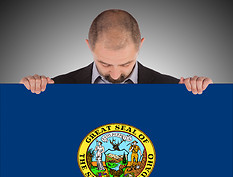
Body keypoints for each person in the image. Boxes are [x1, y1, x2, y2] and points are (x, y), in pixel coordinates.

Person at [20, 9, 213, 95]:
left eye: (125, 64)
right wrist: (27, 94)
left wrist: (202, 94)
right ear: (89, 46)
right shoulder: (56, 89)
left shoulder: (173, 90)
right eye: (104, 63)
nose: (115, 75)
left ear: (140, 46)